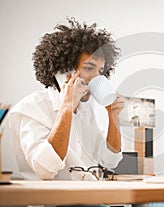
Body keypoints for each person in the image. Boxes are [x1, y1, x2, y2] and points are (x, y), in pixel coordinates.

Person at [8, 17, 125, 181]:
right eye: (89, 68)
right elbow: (45, 169)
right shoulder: (31, 107)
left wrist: (113, 117)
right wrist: (66, 107)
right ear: (62, 71)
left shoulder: (87, 108)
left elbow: (110, 161)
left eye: (100, 71)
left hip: (90, 197)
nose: (96, 78)